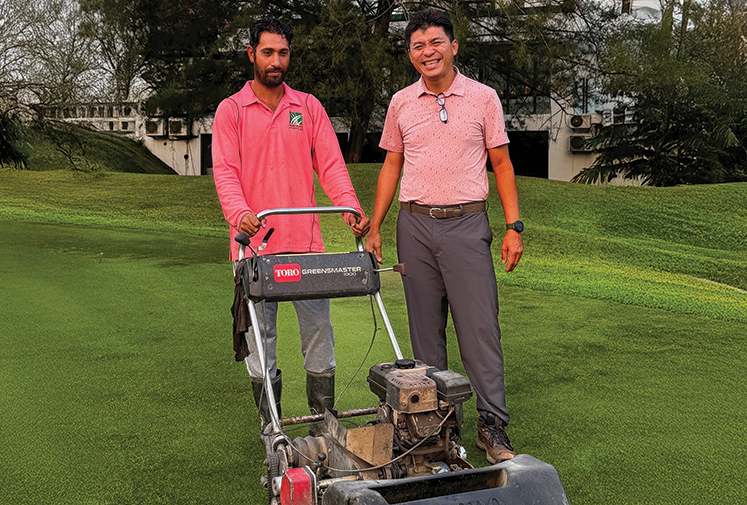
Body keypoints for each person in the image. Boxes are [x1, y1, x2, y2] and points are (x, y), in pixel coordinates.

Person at [365, 8, 524, 463]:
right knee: (425, 338)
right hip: (413, 225)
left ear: (454, 46)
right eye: (417, 46)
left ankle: (493, 428)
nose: (427, 52)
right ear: (411, 55)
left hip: (466, 224)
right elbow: (391, 165)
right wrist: (375, 226)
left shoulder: (483, 98)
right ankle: (436, 430)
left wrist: (513, 226)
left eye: (435, 42)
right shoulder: (401, 102)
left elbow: (502, 164)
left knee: (479, 331)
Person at [212, 18, 369, 431]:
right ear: (251, 55)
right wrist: (239, 212)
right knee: (260, 344)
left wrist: (349, 206)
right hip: (253, 247)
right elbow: (225, 173)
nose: (276, 61)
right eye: (267, 52)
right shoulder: (231, 111)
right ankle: (273, 428)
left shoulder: (307, 107)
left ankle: (323, 425)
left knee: (320, 336)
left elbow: (332, 165)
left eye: (283, 53)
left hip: (305, 247)